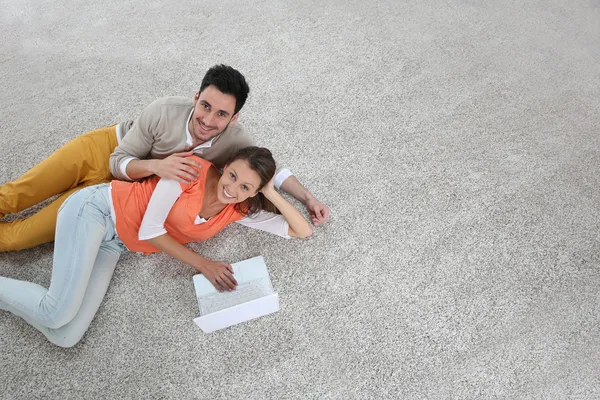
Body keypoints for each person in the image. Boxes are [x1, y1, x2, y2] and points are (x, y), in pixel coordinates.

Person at [0, 147, 311, 348]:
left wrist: (272, 191)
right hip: (98, 209)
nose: (231, 188)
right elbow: (150, 231)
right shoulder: (190, 170)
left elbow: (302, 231)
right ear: (226, 165)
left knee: (66, 336)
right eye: (232, 175)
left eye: (246, 187)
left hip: (117, 244)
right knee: (55, 313)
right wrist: (204, 264)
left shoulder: (239, 210)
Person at [0, 64, 329, 252]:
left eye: (222, 114)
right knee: (15, 195)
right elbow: (118, 162)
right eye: (205, 106)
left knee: (21, 237)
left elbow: (269, 172)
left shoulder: (236, 141)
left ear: (234, 118)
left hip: (122, 195)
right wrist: (157, 165)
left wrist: (308, 197)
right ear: (196, 97)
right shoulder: (162, 111)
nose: (208, 120)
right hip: (108, 151)